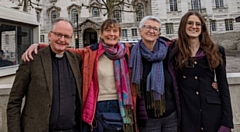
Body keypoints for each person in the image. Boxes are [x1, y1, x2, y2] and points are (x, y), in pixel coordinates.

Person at [21, 18, 137, 132]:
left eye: (115, 31)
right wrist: (38, 45)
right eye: (107, 30)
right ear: (101, 34)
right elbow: (66, 49)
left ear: (120, 34)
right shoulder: (90, 52)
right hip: (98, 106)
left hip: (124, 106)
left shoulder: (128, 52)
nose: (111, 34)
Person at [7, 18, 83, 132]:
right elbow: (14, 100)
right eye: (58, 34)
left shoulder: (76, 60)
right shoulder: (32, 59)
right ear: (49, 35)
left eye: (66, 36)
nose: (62, 40)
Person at [168, 11, 234, 132]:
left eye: (198, 24)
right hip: (187, 113)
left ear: (202, 28)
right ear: (183, 25)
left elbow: (224, 88)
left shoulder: (216, 50)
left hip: (212, 112)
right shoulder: (174, 51)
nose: (194, 26)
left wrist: (227, 122)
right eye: (190, 23)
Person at [129, 16, 179, 132]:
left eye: (155, 29)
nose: (152, 31)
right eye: (148, 27)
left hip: (171, 116)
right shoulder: (132, 54)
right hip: (147, 118)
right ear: (139, 31)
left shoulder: (169, 52)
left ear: (159, 33)